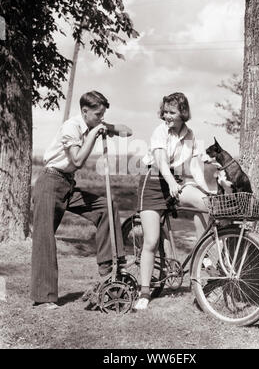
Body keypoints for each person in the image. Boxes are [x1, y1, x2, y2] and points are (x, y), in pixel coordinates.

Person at [30, 90, 132, 310]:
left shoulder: (93, 123)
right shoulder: (71, 127)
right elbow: (76, 160)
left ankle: (109, 266)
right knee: (45, 238)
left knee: (106, 207)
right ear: (85, 111)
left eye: (103, 114)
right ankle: (44, 297)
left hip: (68, 184)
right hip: (50, 182)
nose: (100, 118)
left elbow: (128, 131)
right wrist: (96, 133)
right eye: (98, 114)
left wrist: (110, 128)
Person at [134, 92, 212, 310]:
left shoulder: (190, 134)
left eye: (172, 112)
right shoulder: (160, 131)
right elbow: (160, 162)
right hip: (153, 182)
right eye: (165, 112)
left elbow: (195, 166)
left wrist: (206, 189)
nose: (167, 116)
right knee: (151, 241)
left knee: (206, 203)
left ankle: (203, 254)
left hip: (174, 182)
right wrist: (171, 183)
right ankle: (145, 292)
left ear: (183, 113)